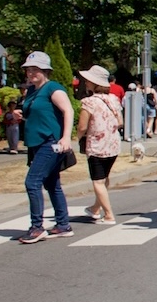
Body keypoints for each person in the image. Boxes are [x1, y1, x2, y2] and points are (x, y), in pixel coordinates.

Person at [15, 51, 75, 244]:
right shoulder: (32, 91)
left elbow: (68, 110)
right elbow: (38, 116)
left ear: (45, 71)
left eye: (36, 70)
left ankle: (37, 227)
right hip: (37, 142)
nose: (31, 73)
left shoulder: (53, 88)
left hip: (50, 142)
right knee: (51, 184)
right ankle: (63, 224)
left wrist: (66, 137)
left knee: (32, 182)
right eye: (28, 70)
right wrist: (20, 116)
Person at [78, 65, 121, 225]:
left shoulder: (89, 102)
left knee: (97, 181)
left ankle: (108, 214)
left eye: (88, 80)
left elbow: (82, 126)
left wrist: (77, 138)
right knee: (104, 178)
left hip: (97, 145)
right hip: (113, 144)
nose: (86, 83)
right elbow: (120, 121)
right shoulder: (114, 99)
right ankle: (96, 207)